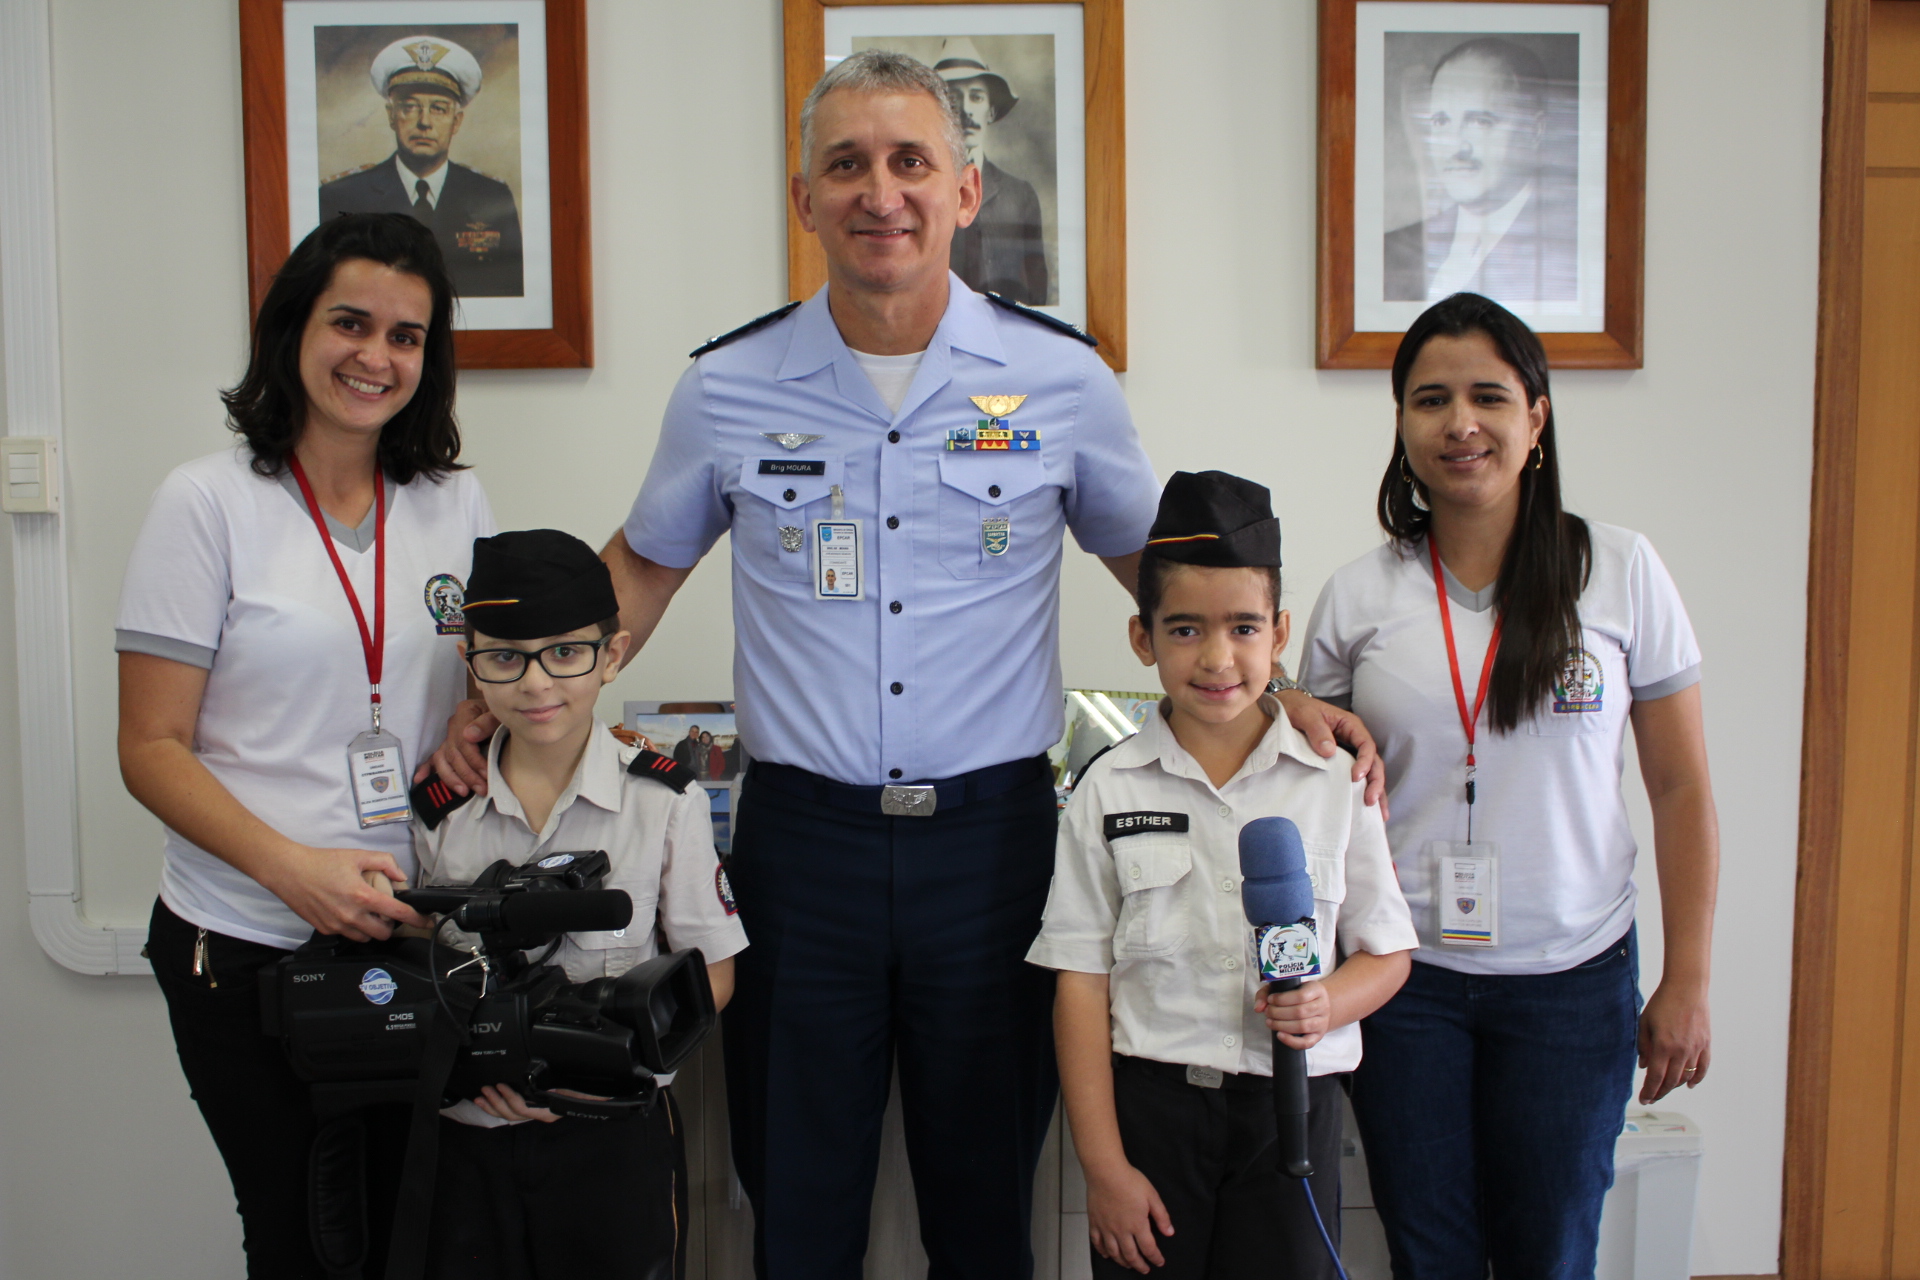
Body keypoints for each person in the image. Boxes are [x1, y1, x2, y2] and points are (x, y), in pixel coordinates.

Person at [427, 49, 1377, 1280]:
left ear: (966, 191)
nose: (882, 191)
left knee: (984, 1202)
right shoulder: (726, 386)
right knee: (799, 1198)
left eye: (911, 161)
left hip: (989, 852)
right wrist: (499, 694)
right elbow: (640, 573)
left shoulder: (1061, 380)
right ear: (805, 198)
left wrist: (1287, 691)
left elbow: (1167, 577)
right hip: (801, 852)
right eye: (848, 164)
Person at [1299, 292, 1719, 1279]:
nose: (1461, 423)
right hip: (1405, 983)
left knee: (1551, 1251)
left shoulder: (1620, 571)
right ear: (1401, 427)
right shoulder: (1360, 594)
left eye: (1490, 395)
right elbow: (1303, 764)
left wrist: (1689, 976)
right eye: (1430, 399)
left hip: (1572, 979)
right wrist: (1281, 691)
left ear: (1537, 418)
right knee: (1429, 1249)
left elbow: (1681, 784)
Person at [115, 212, 495, 1278]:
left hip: (406, 931)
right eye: (350, 322)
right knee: (302, 1238)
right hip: (243, 943)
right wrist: (296, 872)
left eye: (407, 336)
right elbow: (149, 746)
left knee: (407, 1236)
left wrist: (476, 714)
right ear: (292, 329)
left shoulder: (453, 502)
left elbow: (473, 680)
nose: (376, 357)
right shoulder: (208, 503)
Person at [1029, 471, 1417, 1279]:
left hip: (1291, 1110)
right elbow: (1079, 982)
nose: (1216, 658)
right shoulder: (1109, 786)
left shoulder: (1333, 779)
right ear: (1143, 639)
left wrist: (1327, 1004)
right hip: (1152, 1111)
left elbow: (1388, 953)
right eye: (1184, 630)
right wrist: (1103, 1167)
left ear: (1278, 634)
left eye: (1243, 628)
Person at [406, 528, 746, 1280]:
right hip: (469, 1130)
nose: (536, 683)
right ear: (471, 665)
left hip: (611, 1132)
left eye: (565, 653)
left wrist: (602, 1069)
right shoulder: (440, 808)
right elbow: (416, 960)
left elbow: (712, 973)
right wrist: (476, 1067)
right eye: (505, 657)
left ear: (612, 655)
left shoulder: (661, 800)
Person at [320, 34, 524, 297]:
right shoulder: (343, 195)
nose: (424, 122)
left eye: (438, 109)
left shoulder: (490, 195)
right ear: (391, 116)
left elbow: (509, 293)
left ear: (457, 121)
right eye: (410, 107)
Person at [1383, 39, 1574, 305]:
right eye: (1441, 121)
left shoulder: (1571, 255)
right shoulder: (1391, 252)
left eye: (1480, 121)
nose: (1456, 147)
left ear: (1535, 130)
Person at [935, 37, 1050, 305]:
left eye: (976, 97)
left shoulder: (1019, 195)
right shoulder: (920, 194)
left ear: (990, 110)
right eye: (953, 99)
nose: (966, 111)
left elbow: (1037, 292)